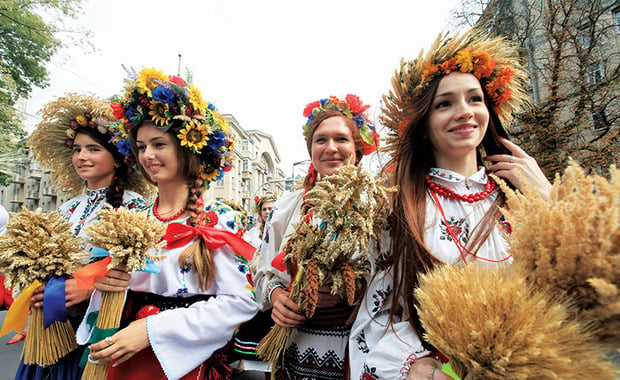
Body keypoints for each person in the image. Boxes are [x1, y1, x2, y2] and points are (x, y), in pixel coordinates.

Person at [348, 29, 552, 380]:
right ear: (424, 125)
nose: (465, 112)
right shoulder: (399, 206)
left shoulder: (525, 199)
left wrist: (549, 198)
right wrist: (423, 369)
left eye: (475, 99)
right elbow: (378, 317)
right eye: (445, 103)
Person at [79, 68, 258, 380]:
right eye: (141, 146)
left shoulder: (219, 218)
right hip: (126, 355)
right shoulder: (135, 218)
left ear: (186, 146)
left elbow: (242, 302)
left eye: (159, 144)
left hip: (184, 362)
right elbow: (124, 290)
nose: (148, 154)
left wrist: (152, 329)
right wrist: (109, 287)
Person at [15, 94, 151, 380]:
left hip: (101, 326)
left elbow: (142, 268)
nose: (81, 157)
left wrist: (89, 287)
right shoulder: (67, 208)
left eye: (92, 149)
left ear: (116, 159)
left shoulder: (136, 206)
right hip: (54, 328)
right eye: (77, 149)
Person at [254, 94, 380, 379]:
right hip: (295, 349)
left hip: (358, 349)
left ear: (357, 149)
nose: (331, 148)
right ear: (310, 149)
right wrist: (277, 297)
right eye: (321, 140)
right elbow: (261, 270)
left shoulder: (380, 208)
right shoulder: (288, 207)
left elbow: (392, 281)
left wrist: (353, 291)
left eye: (341, 139)